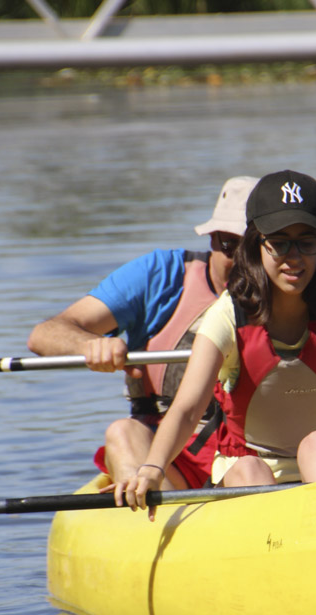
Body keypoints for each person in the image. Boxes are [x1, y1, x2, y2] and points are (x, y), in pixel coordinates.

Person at [105, 169, 316, 510]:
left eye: (306, 242)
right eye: (279, 243)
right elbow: (188, 408)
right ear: (256, 246)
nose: (293, 257)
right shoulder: (226, 316)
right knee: (251, 469)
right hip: (246, 476)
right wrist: (152, 469)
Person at [28, 176, 258, 490]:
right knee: (121, 433)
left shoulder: (294, 288)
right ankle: (150, 514)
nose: (242, 262)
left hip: (253, 454)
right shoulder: (161, 275)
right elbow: (43, 335)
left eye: (254, 249)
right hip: (167, 455)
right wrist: (91, 344)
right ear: (213, 239)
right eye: (230, 245)